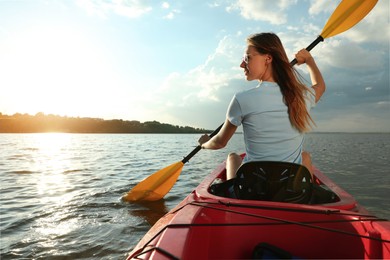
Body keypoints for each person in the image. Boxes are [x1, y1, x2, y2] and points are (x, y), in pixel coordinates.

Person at [198, 32, 325, 180]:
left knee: (233, 157)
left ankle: (235, 198)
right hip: (290, 192)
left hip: (252, 190)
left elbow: (220, 142)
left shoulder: (241, 99)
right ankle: (306, 198)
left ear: (268, 58)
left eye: (247, 58)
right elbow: (320, 86)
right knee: (305, 157)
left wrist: (204, 144)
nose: (241, 64)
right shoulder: (301, 96)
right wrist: (309, 60)